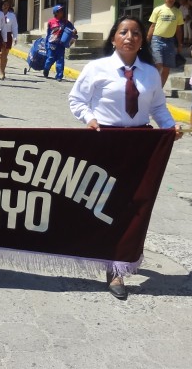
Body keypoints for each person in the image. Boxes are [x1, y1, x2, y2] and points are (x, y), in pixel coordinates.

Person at [67, 16, 181, 299]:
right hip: (106, 142)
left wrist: (169, 127)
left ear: (142, 40)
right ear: (113, 38)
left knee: (134, 204)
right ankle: (113, 266)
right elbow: (77, 100)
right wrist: (90, 119)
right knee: (109, 204)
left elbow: (158, 108)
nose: (129, 37)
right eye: (123, 32)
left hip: (140, 144)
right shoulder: (96, 68)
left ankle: (123, 255)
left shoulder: (150, 73)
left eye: (136, 33)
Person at [147, 0, 182, 87]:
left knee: (166, 68)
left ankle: (159, 90)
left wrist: (180, 44)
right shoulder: (158, 10)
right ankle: (151, 86)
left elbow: (179, 29)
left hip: (170, 42)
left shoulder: (178, 12)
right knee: (158, 65)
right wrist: (147, 40)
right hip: (157, 40)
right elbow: (152, 26)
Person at [43, 4, 75, 81]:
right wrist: (46, 43)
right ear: (56, 12)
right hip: (51, 44)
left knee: (60, 60)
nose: (62, 12)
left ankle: (59, 76)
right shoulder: (51, 22)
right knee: (50, 59)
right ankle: (46, 69)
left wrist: (74, 31)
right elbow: (48, 33)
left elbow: (73, 29)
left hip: (61, 44)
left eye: (62, 10)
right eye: (60, 11)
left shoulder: (65, 22)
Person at [0, 0, 18, 80]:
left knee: (5, 55)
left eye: (7, 5)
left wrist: (15, 37)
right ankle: (0, 70)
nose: (6, 6)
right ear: (2, 6)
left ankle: (3, 70)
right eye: (4, 5)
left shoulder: (12, 16)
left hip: (8, 35)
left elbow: (14, 26)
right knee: (0, 54)